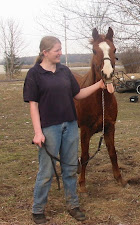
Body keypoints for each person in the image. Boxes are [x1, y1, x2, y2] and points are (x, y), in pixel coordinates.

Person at [23, 36, 106, 224]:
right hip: (49, 129)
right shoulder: (34, 74)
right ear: (45, 53)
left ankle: (73, 205)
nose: (60, 53)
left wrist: (98, 85)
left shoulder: (64, 71)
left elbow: (78, 94)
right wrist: (38, 132)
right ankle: (38, 210)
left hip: (70, 126)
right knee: (46, 171)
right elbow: (33, 105)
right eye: (57, 50)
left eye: (60, 49)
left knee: (69, 168)